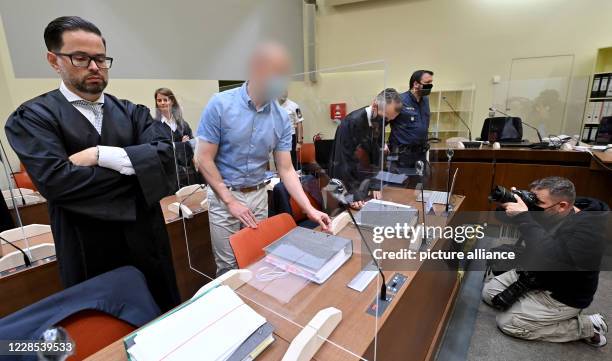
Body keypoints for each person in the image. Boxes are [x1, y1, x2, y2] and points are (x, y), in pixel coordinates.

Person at [4, 16, 180, 311]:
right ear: (53, 60)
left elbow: (167, 160)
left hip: (148, 242)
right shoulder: (33, 117)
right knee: (104, 332)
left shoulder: (132, 112)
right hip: (87, 248)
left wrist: (100, 155)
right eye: (80, 58)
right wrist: (140, 172)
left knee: (163, 319)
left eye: (100, 58)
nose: (95, 67)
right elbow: (58, 182)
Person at [196, 42, 331, 275]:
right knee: (228, 269)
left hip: (258, 195)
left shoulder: (280, 117)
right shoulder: (220, 104)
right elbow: (203, 159)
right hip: (223, 196)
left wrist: (309, 209)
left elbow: (286, 169)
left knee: (258, 260)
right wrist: (230, 201)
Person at [483, 177, 609, 347]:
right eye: (533, 198)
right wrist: (512, 201)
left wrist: (524, 217)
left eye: (539, 202)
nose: (535, 206)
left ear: (562, 206)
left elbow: (551, 253)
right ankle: (532, 309)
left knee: (508, 323)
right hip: (537, 275)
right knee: (489, 294)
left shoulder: (589, 232)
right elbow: (502, 217)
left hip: (563, 293)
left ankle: (588, 327)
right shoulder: (552, 208)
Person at [328, 88, 403, 209]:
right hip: (344, 184)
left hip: (363, 182)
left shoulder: (378, 121)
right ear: (374, 105)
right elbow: (343, 161)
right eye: (385, 118)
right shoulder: (351, 123)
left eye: (389, 120)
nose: (386, 123)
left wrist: (375, 184)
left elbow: (377, 156)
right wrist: (353, 194)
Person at [154, 87, 201, 188]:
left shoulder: (182, 124)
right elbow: (159, 149)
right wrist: (182, 144)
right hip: (169, 175)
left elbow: (192, 147)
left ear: (172, 102)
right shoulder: (154, 126)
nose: (162, 103)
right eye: (159, 100)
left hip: (187, 173)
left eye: (165, 100)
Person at [388, 70, 434, 170]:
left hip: (420, 155)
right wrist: (381, 144)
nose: (430, 86)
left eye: (431, 83)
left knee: (420, 184)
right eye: (427, 83)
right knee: (401, 185)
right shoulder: (399, 100)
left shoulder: (425, 100)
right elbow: (382, 121)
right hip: (401, 157)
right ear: (416, 84)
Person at [278, 91, 304, 169]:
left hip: (290, 137)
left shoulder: (294, 106)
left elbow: (299, 123)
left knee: (291, 162)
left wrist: (299, 141)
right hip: (277, 137)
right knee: (279, 162)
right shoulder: (273, 105)